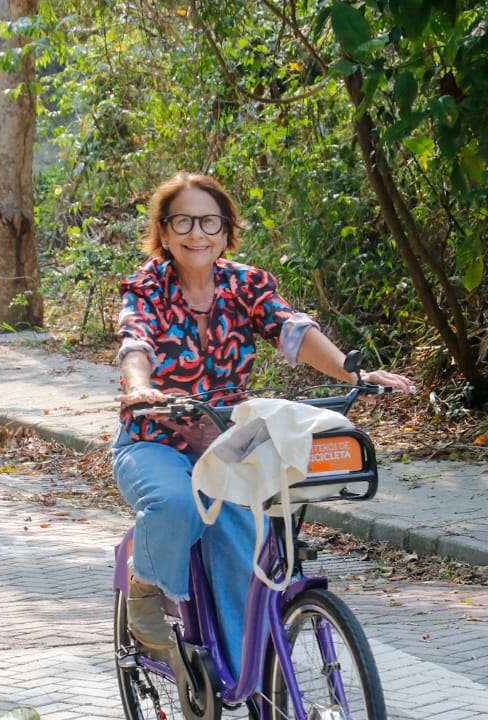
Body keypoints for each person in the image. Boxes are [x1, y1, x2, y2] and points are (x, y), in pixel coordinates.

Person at [112, 172, 414, 674]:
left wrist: (354, 372)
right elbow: (135, 342)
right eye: (182, 221)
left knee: (248, 556)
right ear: (164, 233)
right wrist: (139, 385)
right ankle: (145, 585)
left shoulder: (246, 284)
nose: (197, 233)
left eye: (210, 221)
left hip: (227, 438)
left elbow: (292, 329)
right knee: (176, 503)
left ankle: (256, 693)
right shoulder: (147, 288)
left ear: (227, 232)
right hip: (153, 439)